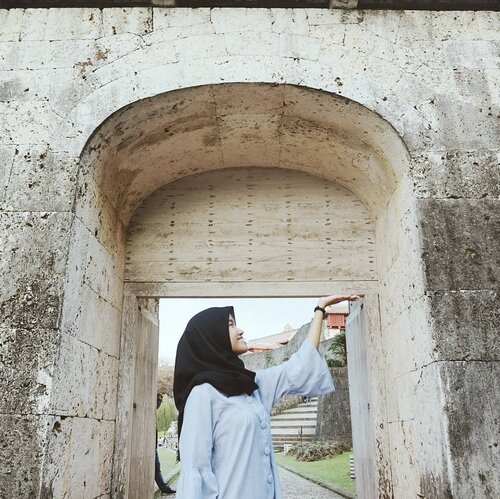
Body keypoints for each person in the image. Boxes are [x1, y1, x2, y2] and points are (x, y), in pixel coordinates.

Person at [173, 294, 359, 499]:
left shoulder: (253, 386)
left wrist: (320, 309)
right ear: (211, 337)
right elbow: (195, 471)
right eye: (230, 324)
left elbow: (298, 366)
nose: (240, 330)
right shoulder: (202, 395)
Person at [155, 392, 175, 496]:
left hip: (153, 448)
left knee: (157, 467)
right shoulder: (150, 412)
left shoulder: (152, 413)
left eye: (161, 401)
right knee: (156, 467)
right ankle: (164, 488)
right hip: (151, 448)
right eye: (158, 400)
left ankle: (164, 487)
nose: (160, 403)